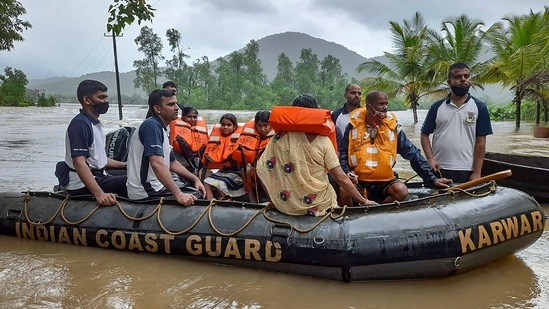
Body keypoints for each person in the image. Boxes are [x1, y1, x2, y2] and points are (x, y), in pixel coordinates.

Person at [256, 94, 375, 217]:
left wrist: (274, 199)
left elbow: (262, 169)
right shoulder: (322, 141)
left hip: (286, 205)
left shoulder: (278, 139)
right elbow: (341, 177)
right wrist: (364, 201)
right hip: (319, 205)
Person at [340, 91, 453, 203]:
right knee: (344, 190)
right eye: (381, 104)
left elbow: (413, 154)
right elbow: (344, 153)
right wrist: (347, 173)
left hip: (385, 180)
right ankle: (349, 215)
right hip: (359, 179)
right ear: (369, 107)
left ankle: (381, 211)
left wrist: (432, 179)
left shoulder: (393, 128)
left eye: (386, 104)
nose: (385, 108)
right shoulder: (352, 128)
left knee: (401, 191)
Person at [126, 89, 205, 206]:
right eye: (171, 104)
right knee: (196, 197)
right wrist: (178, 194)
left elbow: (172, 163)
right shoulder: (151, 126)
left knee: (195, 190)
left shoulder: (162, 128)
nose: (177, 108)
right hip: (146, 191)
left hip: (156, 186)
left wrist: (195, 179)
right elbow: (157, 164)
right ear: (158, 108)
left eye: (176, 103)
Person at [420, 62, 493, 183]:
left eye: (466, 76)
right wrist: (430, 159)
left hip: (466, 168)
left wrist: (477, 172)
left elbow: (481, 142)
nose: (463, 79)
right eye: (458, 77)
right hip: (439, 168)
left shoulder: (479, 107)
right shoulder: (437, 107)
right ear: (449, 82)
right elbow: (424, 134)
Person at [60, 79, 127, 206]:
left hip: (100, 175)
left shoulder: (94, 124)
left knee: (134, 173)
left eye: (106, 97)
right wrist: (99, 194)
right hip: (81, 184)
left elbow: (99, 159)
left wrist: (125, 165)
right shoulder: (81, 125)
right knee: (136, 180)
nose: (105, 101)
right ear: (87, 100)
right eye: (101, 97)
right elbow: (79, 163)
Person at [203, 113, 245, 200]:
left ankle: (227, 201)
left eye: (229, 125)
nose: (225, 127)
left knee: (220, 183)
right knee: (206, 182)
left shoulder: (241, 139)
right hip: (224, 170)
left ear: (234, 127)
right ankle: (210, 203)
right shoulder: (218, 139)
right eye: (223, 125)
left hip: (238, 171)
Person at [169, 106, 208, 173]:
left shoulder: (200, 129)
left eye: (195, 117)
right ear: (182, 117)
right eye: (189, 117)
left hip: (196, 159)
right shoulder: (174, 126)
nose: (192, 119)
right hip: (179, 156)